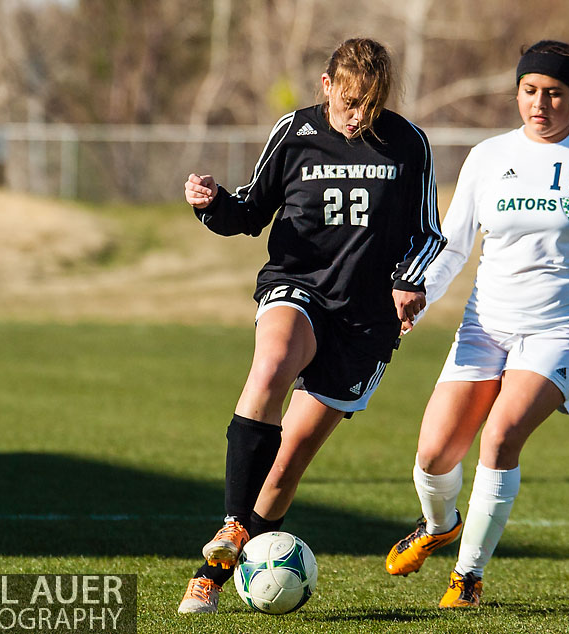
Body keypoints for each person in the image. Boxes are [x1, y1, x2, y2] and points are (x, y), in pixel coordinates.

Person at [384, 39, 569, 608]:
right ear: (517, 92)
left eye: (554, 93)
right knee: (433, 456)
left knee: (499, 438)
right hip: (484, 326)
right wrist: (420, 289)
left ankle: (468, 577)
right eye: (530, 91)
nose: (540, 104)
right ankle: (439, 526)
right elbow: (453, 246)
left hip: (562, 331)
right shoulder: (487, 156)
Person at [177, 37, 445, 614]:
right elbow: (250, 211)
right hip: (298, 286)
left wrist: (409, 279)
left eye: (370, 104)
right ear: (326, 86)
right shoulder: (295, 133)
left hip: (366, 320)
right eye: (349, 101)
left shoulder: (407, 143)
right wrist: (212, 203)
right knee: (272, 361)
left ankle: (216, 571)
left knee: (288, 461)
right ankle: (228, 529)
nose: (358, 116)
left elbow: (429, 234)